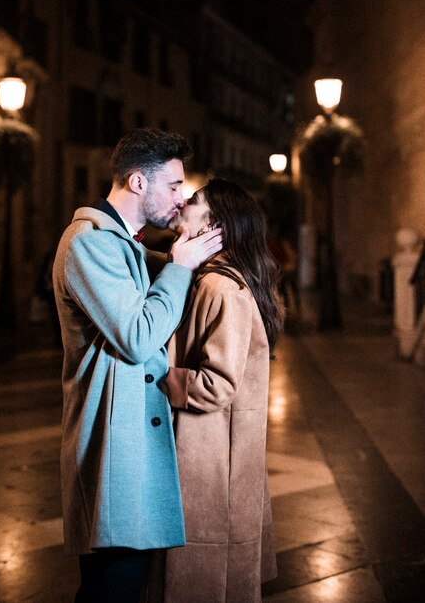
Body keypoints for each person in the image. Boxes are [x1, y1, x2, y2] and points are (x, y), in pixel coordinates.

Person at [52, 128, 223, 603]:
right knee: (112, 589)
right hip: (111, 449)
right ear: (137, 183)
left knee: (120, 586)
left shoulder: (123, 245)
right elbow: (137, 336)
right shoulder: (89, 245)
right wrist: (181, 266)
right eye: (173, 186)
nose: (180, 197)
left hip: (129, 447)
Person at [152, 178, 283, 602]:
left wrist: (156, 378)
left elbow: (217, 385)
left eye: (193, 200)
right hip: (222, 455)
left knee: (207, 582)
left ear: (215, 226)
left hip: (212, 459)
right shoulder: (217, 278)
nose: (182, 203)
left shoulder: (220, 286)